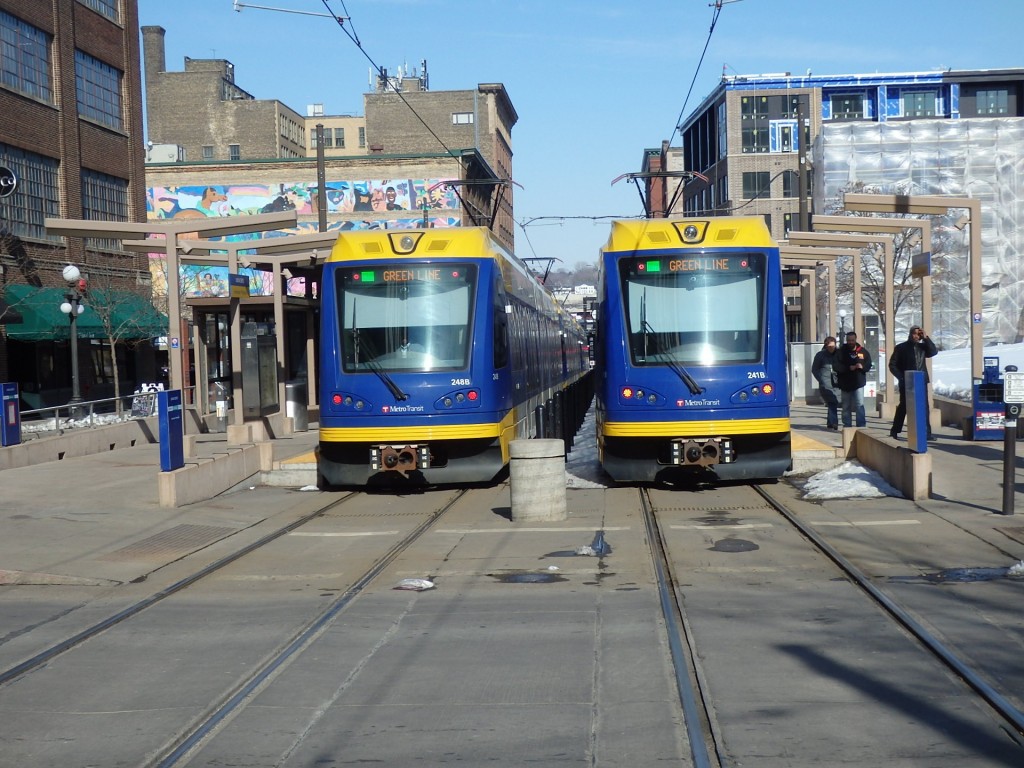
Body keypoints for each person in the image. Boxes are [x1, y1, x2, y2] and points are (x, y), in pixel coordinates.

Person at [888, 325, 938, 439]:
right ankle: (895, 430)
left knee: (924, 407)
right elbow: (892, 365)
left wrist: (926, 338)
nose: (916, 336)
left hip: (921, 381)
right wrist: (901, 377)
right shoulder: (901, 348)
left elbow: (934, 351)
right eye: (914, 333)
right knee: (904, 406)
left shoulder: (923, 347)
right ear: (910, 334)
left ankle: (927, 433)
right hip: (907, 381)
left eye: (918, 334)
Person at [835, 331, 873, 428]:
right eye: (848, 340)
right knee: (846, 406)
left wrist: (862, 366)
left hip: (858, 383)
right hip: (845, 384)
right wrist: (848, 368)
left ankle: (861, 426)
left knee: (859, 405)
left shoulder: (863, 351)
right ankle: (847, 426)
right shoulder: (841, 352)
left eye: (852, 340)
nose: (850, 342)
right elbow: (835, 366)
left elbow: (868, 365)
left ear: (855, 340)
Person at [811, 336, 841, 430]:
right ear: (826, 346)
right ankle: (834, 422)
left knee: (833, 403)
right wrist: (821, 380)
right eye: (829, 346)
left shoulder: (839, 354)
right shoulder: (820, 355)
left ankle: (830, 422)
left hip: (837, 382)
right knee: (832, 401)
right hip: (826, 383)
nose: (831, 348)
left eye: (833, 346)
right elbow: (814, 369)